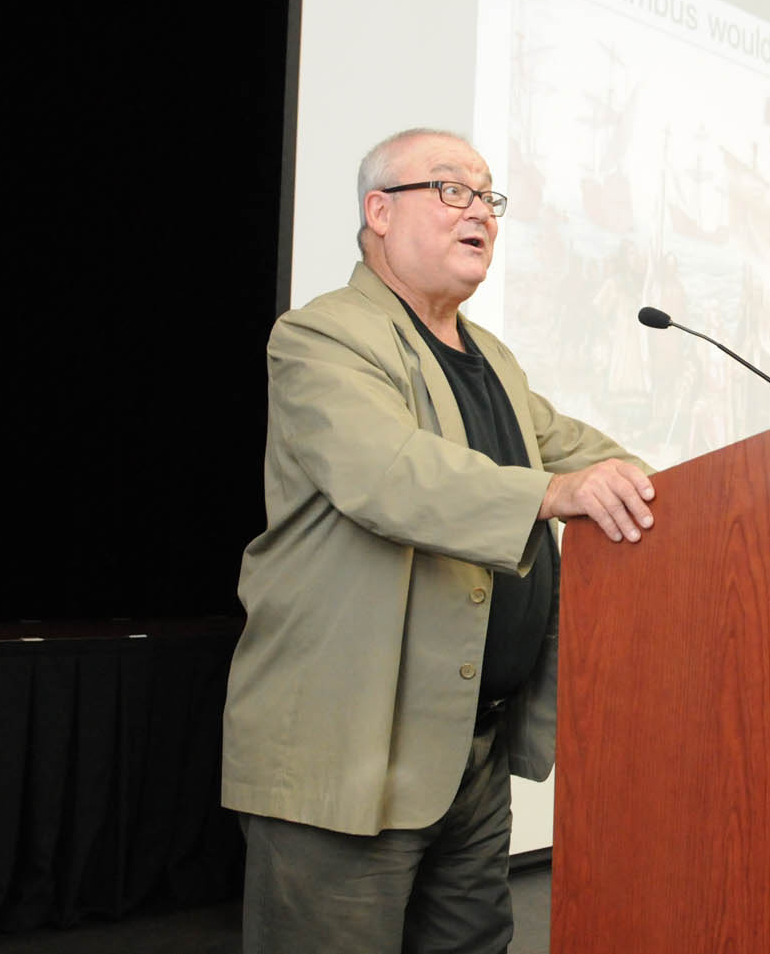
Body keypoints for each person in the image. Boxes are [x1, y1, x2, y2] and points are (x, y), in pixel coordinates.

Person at [222, 128, 656, 954]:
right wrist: (554, 494)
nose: (480, 213)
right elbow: (388, 472)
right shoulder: (323, 336)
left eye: (488, 195)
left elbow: (568, 444)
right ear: (378, 212)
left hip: (473, 749)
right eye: (451, 188)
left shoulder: (490, 354)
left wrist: (685, 488)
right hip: (349, 747)